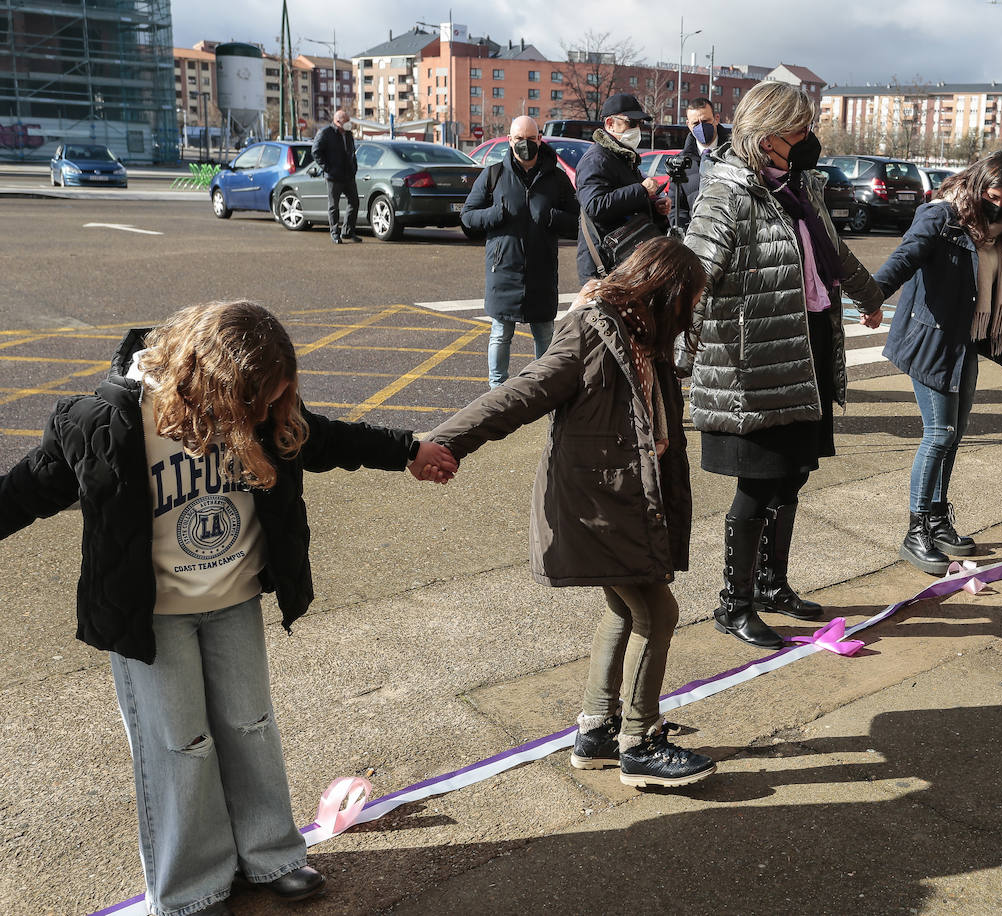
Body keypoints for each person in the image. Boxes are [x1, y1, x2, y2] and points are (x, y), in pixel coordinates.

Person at [0, 301, 456, 916]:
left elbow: (327, 439)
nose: (268, 416)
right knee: (179, 745)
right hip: (152, 616)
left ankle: (271, 855)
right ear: (212, 382)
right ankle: (192, 888)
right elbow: (27, 488)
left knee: (250, 727)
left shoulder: (265, 414)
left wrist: (408, 449)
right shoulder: (103, 422)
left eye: (275, 401)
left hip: (233, 599)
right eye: (257, 403)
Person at [427, 238, 716, 788]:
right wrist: (444, 443)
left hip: (628, 499)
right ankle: (638, 740)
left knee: (625, 608)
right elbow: (522, 392)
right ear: (664, 294)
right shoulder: (592, 331)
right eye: (690, 303)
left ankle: (597, 731)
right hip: (598, 503)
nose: (692, 314)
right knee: (657, 614)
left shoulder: (644, 334)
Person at [681, 80, 886, 649]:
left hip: (809, 342)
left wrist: (869, 295)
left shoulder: (802, 188)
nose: (808, 138)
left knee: (793, 474)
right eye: (800, 129)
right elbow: (693, 278)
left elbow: (832, 251)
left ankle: (773, 586)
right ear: (768, 136)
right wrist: (679, 359)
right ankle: (733, 602)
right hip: (756, 363)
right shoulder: (727, 193)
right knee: (758, 484)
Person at [874, 151, 1002, 574]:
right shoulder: (941, 217)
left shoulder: (999, 228)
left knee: (955, 434)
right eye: (994, 197)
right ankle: (915, 533)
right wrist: (872, 295)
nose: (1000, 206)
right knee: (939, 433)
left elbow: (995, 261)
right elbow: (906, 256)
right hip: (930, 338)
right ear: (978, 183)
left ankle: (935, 519)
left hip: (966, 341)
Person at [461, 116, 579, 388]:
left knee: (545, 335)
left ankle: (545, 388)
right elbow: (468, 218)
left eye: (531, 138)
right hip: (503, 271)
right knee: (500, 334)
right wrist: (496, 214)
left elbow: (577, 221)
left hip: (542, 271)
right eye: (519, 139)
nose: (525, 144)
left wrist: (551, 217)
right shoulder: (493, 175)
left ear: (540, 139)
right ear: (509, 140)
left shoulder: (557, 179)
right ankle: (497, 389)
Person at [575, 93, 669, 282]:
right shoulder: (596, 159)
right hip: (604, 265)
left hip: (626, 260)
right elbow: (595, 205)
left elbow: (627, 206)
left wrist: (655, 205)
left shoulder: (624, 157)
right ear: (609, 123)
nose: (637, 129)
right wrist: (642, 190)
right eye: (631, 123)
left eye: (640, 124)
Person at [672, 96, 731, 227]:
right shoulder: (681, 163)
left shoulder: (735, 154)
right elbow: (676, 208)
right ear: (688, 125)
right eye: (695, 124)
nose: (701, 127)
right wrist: (688, 235)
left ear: (716, 119)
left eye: (705, 121)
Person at [311, 108, 360, 244]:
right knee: (334, 206)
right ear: (338, 121)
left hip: (348, 175)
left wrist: (354, 167)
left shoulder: (348, 134)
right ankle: (335, 233)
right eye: (346, 121)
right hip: (333, 176)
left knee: (354, 202)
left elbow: (352, 152)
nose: (349, 124)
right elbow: (316, 152)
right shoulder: (325, 133)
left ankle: (348, 232)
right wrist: (327, 168)